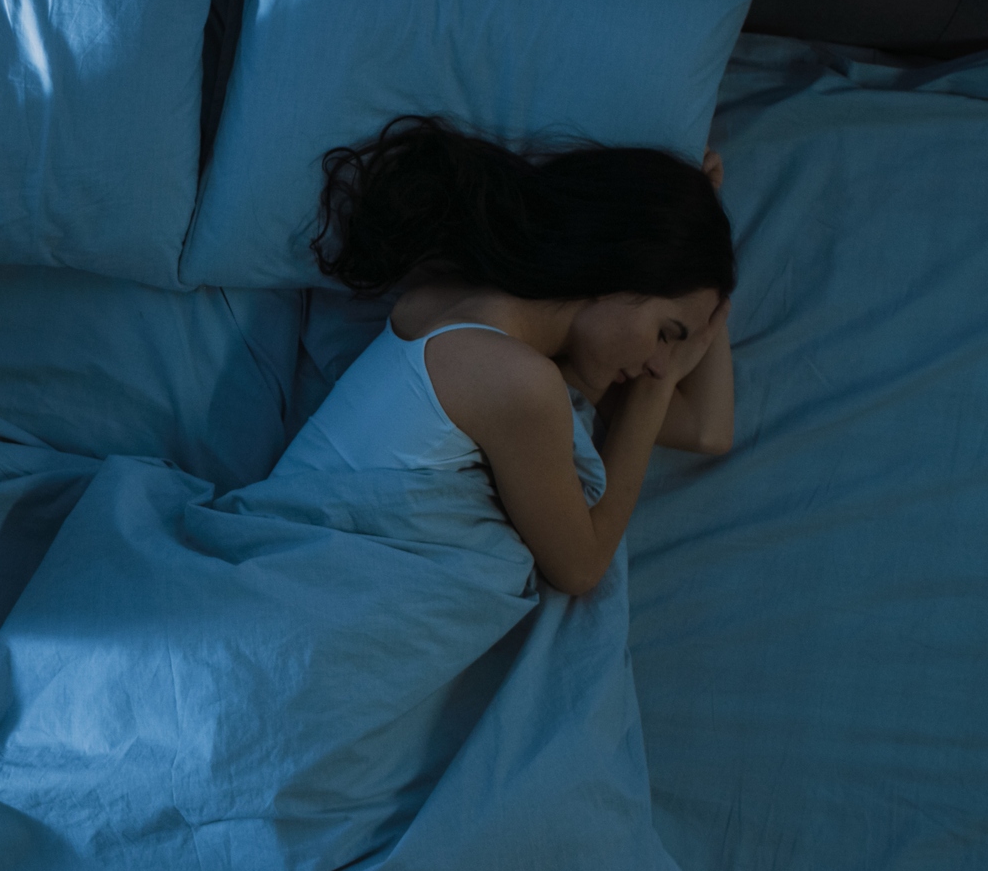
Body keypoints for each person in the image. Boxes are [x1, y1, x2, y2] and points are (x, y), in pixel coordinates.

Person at [283, 115, 736, 596]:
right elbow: (581, 569)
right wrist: (655, 389)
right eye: (667, 334)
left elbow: (709, 430)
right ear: (623, 268)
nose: (661, 364)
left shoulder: (476, 308)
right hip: (305, 576)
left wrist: (704, 236)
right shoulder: (516, 380)